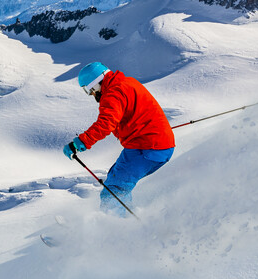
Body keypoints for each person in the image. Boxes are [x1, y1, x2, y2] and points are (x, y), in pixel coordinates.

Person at [63, 62, 175, 215]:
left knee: (114, 191)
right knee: (115, 181)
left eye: (89, 90)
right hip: (156, 144)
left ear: (95, 84)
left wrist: (80, 142)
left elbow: (106, 123)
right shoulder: (126, 82)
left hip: (147, 147)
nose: (91, 95)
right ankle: (126, 222)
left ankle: (118, 232)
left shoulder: (113, 93)